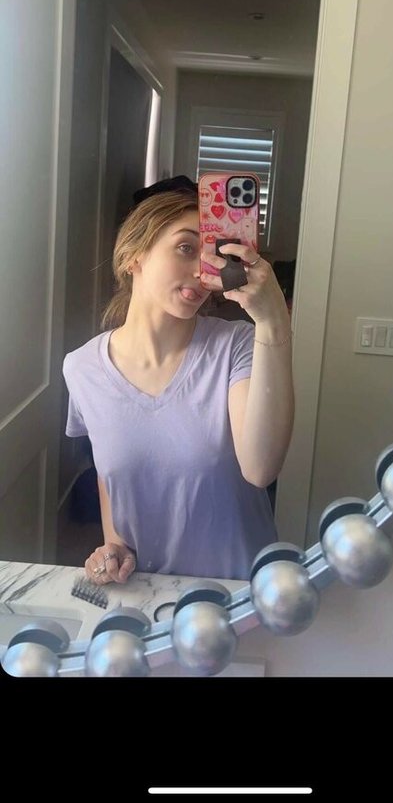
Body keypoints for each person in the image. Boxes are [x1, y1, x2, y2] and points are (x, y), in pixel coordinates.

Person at [62, 175, 295, 584]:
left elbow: (260, 469)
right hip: (148, 595)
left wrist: (273, 319)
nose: (202, 271)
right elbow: (110, 471)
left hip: (240, 594)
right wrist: (115, 544)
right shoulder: (81, 368)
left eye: (211, 255)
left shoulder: (238, 346)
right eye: (186, 248)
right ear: (134, 255)